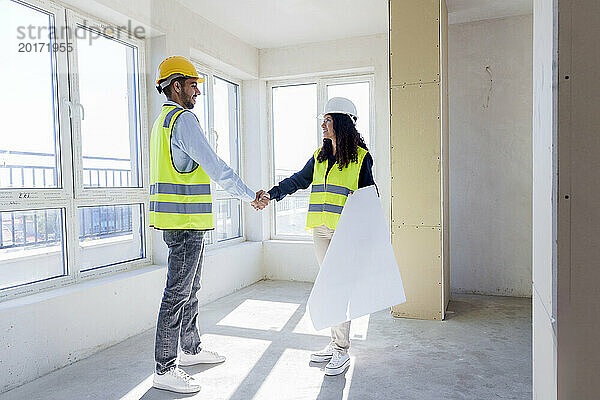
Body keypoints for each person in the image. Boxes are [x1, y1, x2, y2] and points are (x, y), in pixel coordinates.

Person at [149, 55, 268, 394]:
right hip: (185, 222)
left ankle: (190, 350)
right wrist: (249, 196)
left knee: (190, 289)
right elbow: (214, 167)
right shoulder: (184, 119)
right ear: (176, 86)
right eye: (192, 85)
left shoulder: (162, 121)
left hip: (178, 221)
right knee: (177, 293)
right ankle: (165, 367)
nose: (197, 92)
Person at [263, 97, 375, 376]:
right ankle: (335, 342)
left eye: (327, 119)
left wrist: (360, 216)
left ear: (342, 122)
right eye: (322, 120)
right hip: (321, 231)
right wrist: (271, 193)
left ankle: (341, 350)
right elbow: (298, 180)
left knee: (337, 286)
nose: (322, 125)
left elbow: (371, 196)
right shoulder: (320, 156)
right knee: (328, 286)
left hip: (344, 231)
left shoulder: (361, 158)